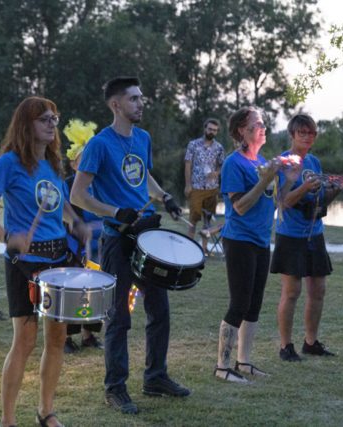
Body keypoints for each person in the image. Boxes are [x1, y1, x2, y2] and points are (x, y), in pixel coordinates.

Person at [0, 97, 88, 427]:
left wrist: (75, 222)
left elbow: (57, 203)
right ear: (26, 125)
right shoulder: (9, 163)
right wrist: (5, 235)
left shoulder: (52, 164)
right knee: (26, 341)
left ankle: (45, 412)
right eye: (44, 119)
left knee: (58, 338)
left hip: (59, 258)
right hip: (25, 261)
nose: (52, 124)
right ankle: (7, 420)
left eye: (54, 118)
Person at [70, 77, 187, 415]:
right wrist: (114, 212)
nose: (141, 104)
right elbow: (78, 195)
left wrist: (163, 195)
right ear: (115, 105)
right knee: (119, 316)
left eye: (141, 98)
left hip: (146, 237)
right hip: (116, 239)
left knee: (160, 310)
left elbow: (142, 176)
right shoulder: (98, 145)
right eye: (134, 99)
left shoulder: (143, 138)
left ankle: (155, 377)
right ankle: (115, 388)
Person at [213, 107, 301, 383]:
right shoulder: (233, 163)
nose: (263, 127)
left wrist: (288, 180)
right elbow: (239, 206)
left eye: (264, 124)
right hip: (239, 239)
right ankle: (222, 367)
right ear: (243, 130)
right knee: (239, 302)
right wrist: (264, 178)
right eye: (258, 124)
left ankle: (244, 362)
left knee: (254, 304)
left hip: (262, 240)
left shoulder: (262, 161)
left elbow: (276, 201)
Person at [271, 115, 337, 362]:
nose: (307, 136)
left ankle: (311, 342)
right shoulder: (283, 163)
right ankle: (286, 346)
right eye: (302, 132)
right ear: (291, 134)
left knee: (318, 290)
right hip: (290, 235)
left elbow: (319, 201)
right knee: (292, 292)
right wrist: (304, 187)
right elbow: (282, 203)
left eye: (311, 133)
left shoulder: (314, 161)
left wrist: (334, 191)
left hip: (315, 233)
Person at [62, 119, 104, 354]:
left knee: (96, 291)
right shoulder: (67, 184)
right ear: (73, 164)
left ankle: (89, 335)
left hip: (99, 244)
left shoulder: (98, 183)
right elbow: (69, 217)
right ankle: (67, 337)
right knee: (73, 291)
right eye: (82, 160)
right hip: (75, 246)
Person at [185, 119, 225, 251]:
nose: (212, 132)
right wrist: (188, 185)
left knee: (207, 221)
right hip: (196, 186)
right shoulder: (193, 144)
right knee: (193, 220)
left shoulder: (219, 148)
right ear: (205, 129)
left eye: (214, 130)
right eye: (210, 129)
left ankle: (204, 249)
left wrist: (216, 173)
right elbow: (188, 164)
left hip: (212, 188)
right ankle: (189, 247)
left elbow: (222, 166)